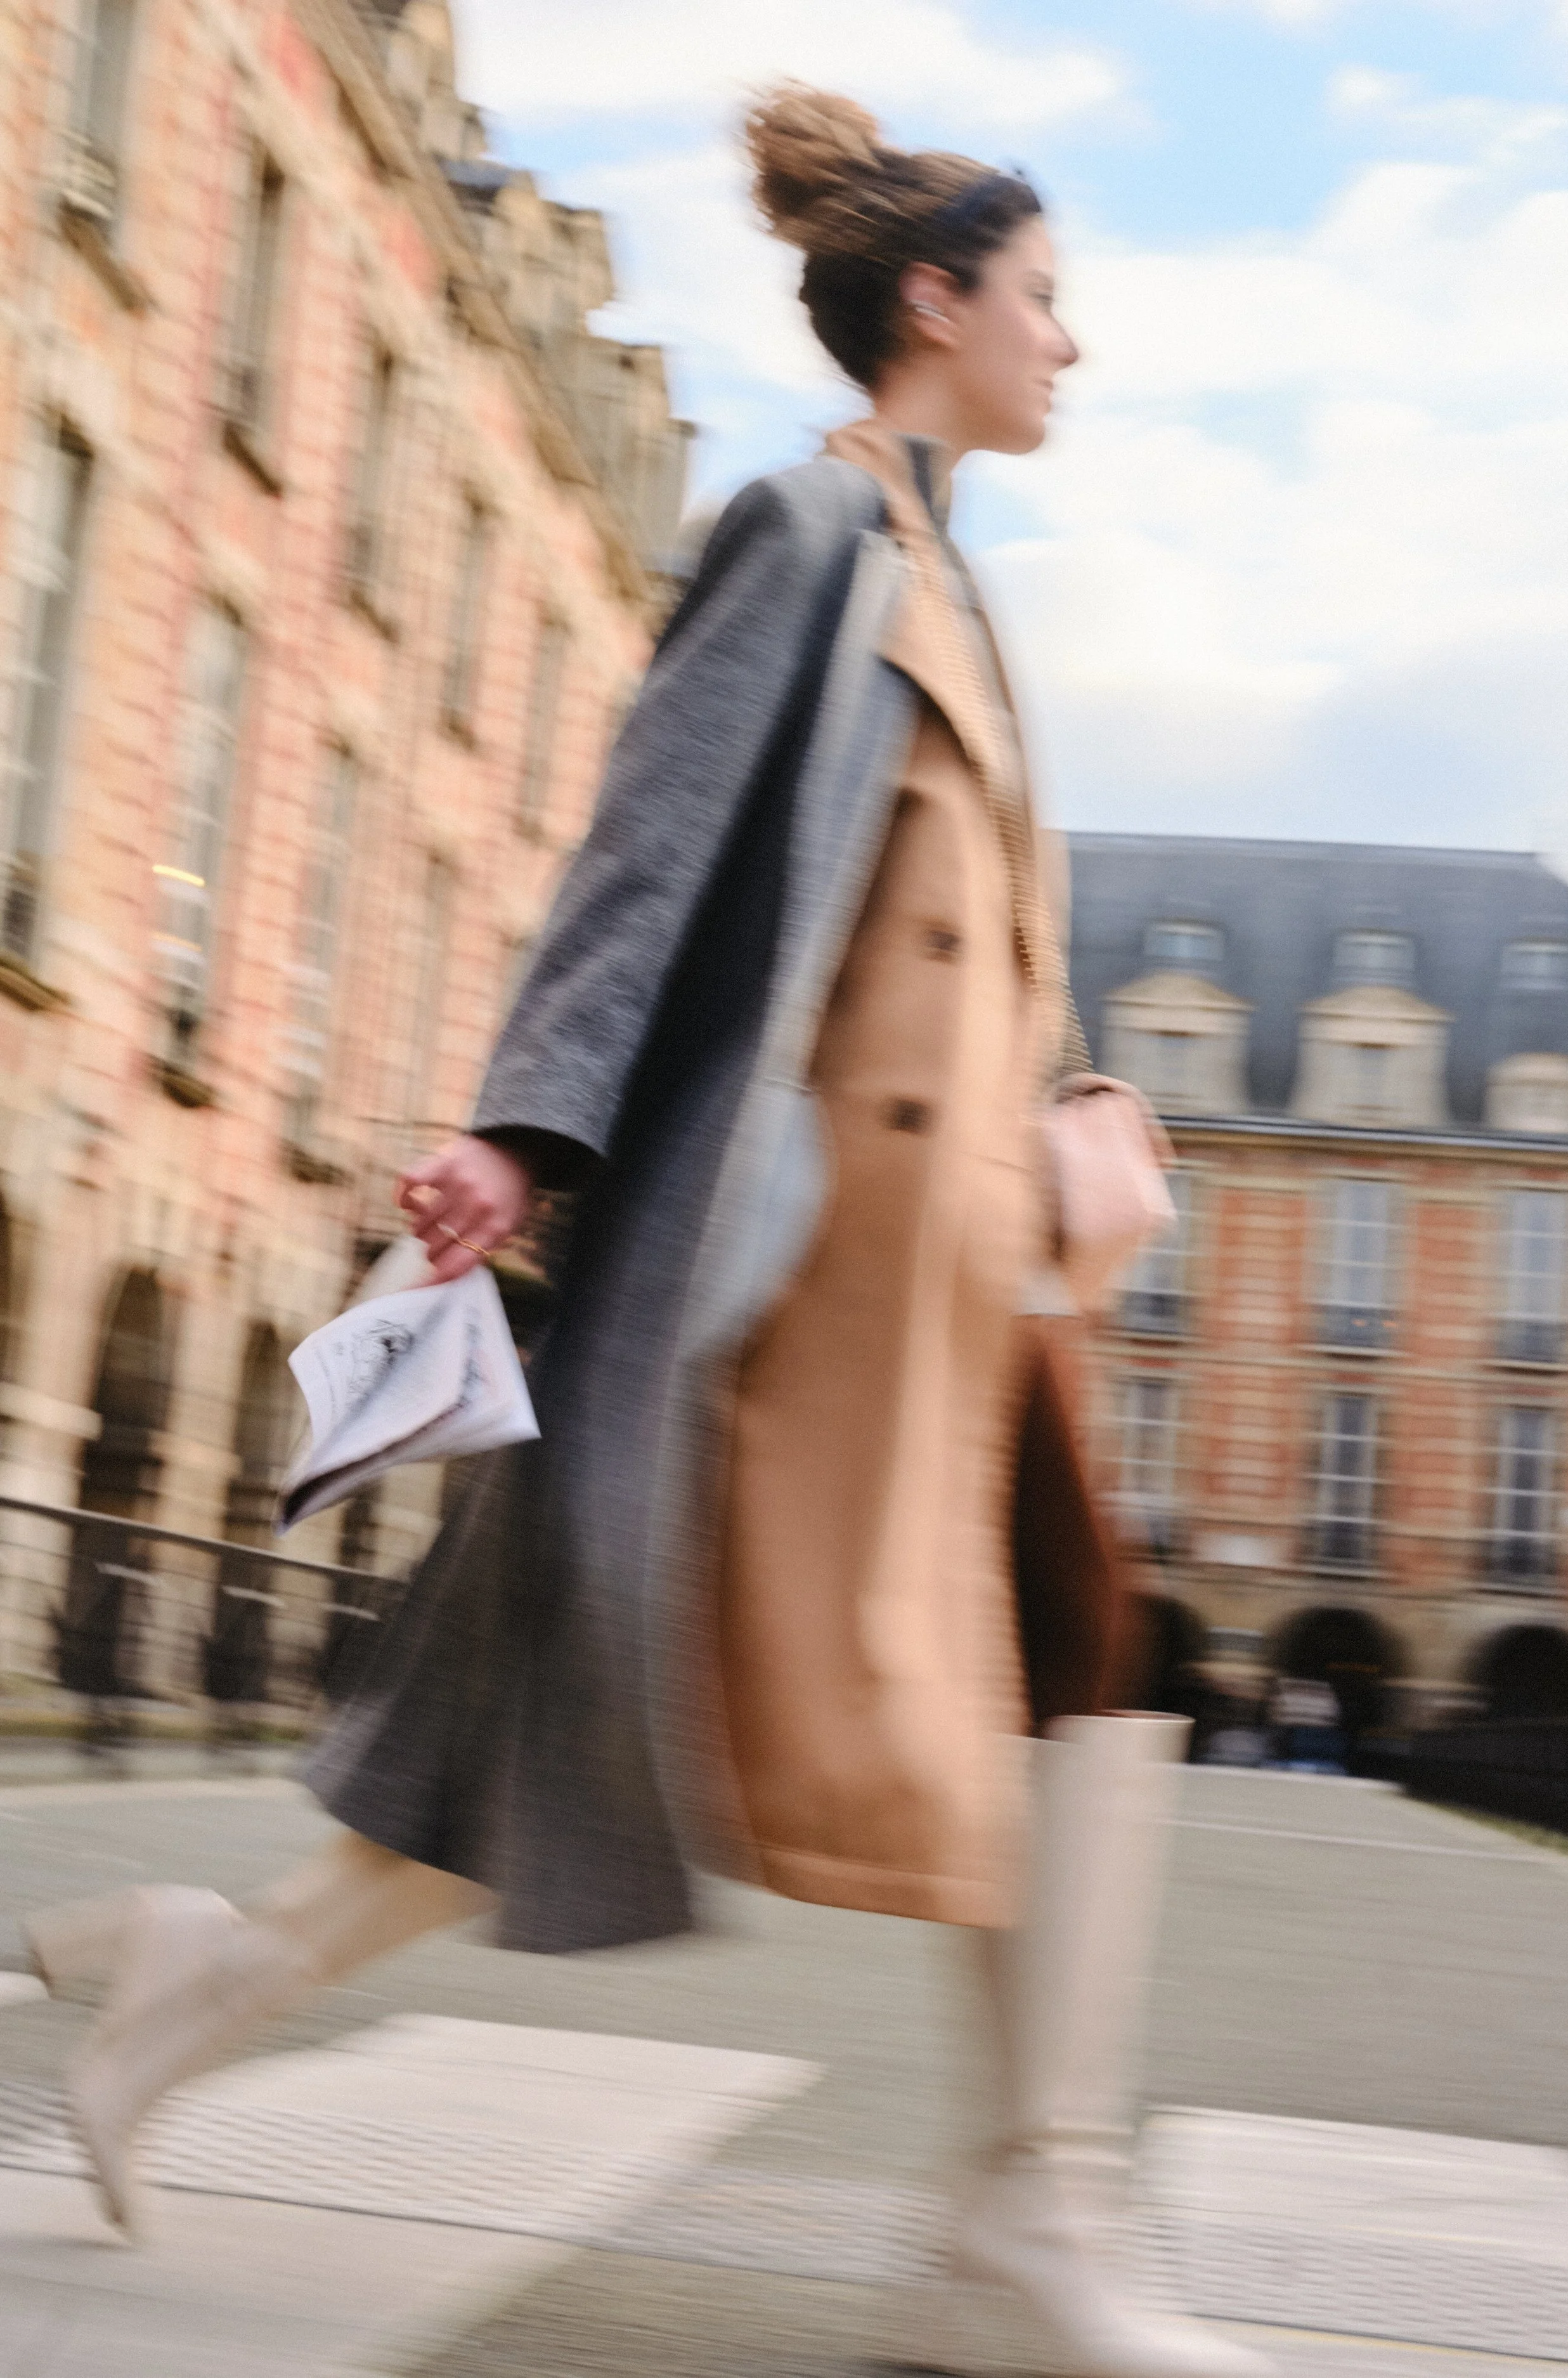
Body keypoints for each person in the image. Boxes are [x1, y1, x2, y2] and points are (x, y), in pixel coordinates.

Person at [19, 88, 1262, 2378]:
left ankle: (1015, 2204)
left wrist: (1081, 1101)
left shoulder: (946, 572)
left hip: (943, 1261)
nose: (1069, 349)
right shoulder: (803, 530)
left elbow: (955, 930)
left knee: (1024, 1649)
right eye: (1047, 304)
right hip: (794, 1277)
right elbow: (645, 850)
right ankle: (1025, 2217)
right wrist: (521, 1133)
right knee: (948, 1658)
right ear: (937, 305)